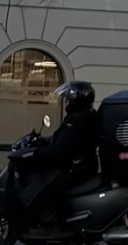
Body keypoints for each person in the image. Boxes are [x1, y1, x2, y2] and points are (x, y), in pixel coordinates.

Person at [17, 79, 100, 221]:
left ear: (76, 99)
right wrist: (44, 141)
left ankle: (62, 223)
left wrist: (35, 153)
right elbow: (67, 139)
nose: (66, 102)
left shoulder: (77, 119)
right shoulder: (85, 114)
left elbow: (61, 150)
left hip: (77, 166)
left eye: (68, 99)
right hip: (82, 162)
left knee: (53, 187)